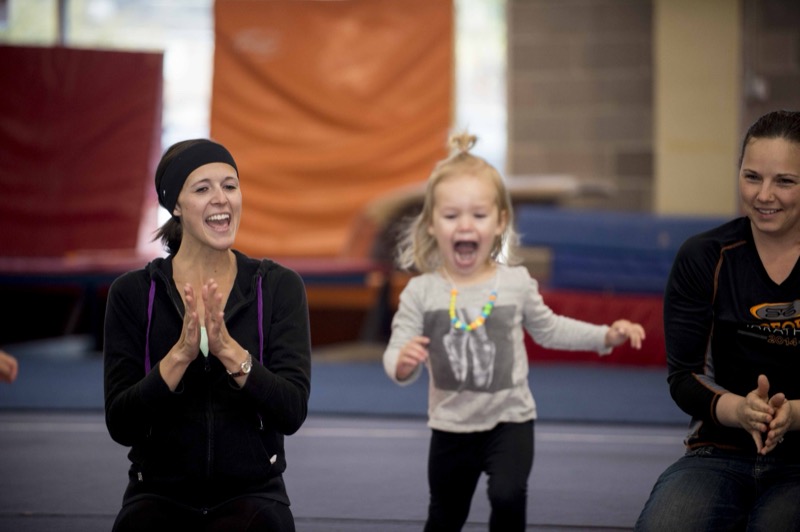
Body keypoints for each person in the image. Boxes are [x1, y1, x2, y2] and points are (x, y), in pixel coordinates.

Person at [382, 132, 646, 532]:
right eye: (451, 216)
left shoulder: (515, 282)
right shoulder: (423, 291)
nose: (465, 225)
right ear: (432, 224)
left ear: (500, 221)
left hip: (510, 421)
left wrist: (604, 336)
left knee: (507, 495)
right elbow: (398, 345)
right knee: (445, 515)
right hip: (450, 428)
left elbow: (550, 329)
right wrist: (400, 365)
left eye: (479, 215)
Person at [103, 139, 311, 532]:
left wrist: (230, 352)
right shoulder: (132, 294)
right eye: (203, 188)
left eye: (230, 186)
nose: (222, 199)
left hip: (253, 495)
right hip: (157, 494)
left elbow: (292, 409)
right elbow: (121, 424)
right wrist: (180, 355)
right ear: (176, 205)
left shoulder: (278, 287)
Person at [634, 110, 800, 530]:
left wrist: (793, 415)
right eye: (751, 177)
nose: (765, 195)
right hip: (720, 450)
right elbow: (685, 377)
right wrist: (741, 410)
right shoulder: (705, 256)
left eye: (785, 181)